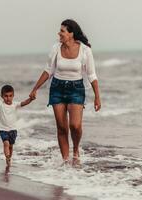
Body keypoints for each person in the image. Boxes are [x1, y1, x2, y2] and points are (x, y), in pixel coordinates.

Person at [29, 19, 101, 166]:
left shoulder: (85, 50)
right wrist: (35, 88)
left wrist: (97, 97)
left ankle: (75, 150)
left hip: (76, 89)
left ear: (71, 33)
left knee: (75, 125)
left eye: (62, 31)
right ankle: (65, 161)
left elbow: (92, 75)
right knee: (61, 127)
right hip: (57, 88)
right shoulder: (56, 48)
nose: (59, 33)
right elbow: (48, 70)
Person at [0, 85, 33, 167]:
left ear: (13, 96)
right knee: (6, 143)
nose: (8, 98)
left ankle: (9, 157)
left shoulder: (15, 104)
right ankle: (7, 157)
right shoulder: (0, 104)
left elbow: (24, 103)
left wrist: (31, 99)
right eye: (6, 96)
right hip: (3, 129)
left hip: (13, 129)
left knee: (11, 145)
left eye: (10, 96)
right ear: (2, 96)